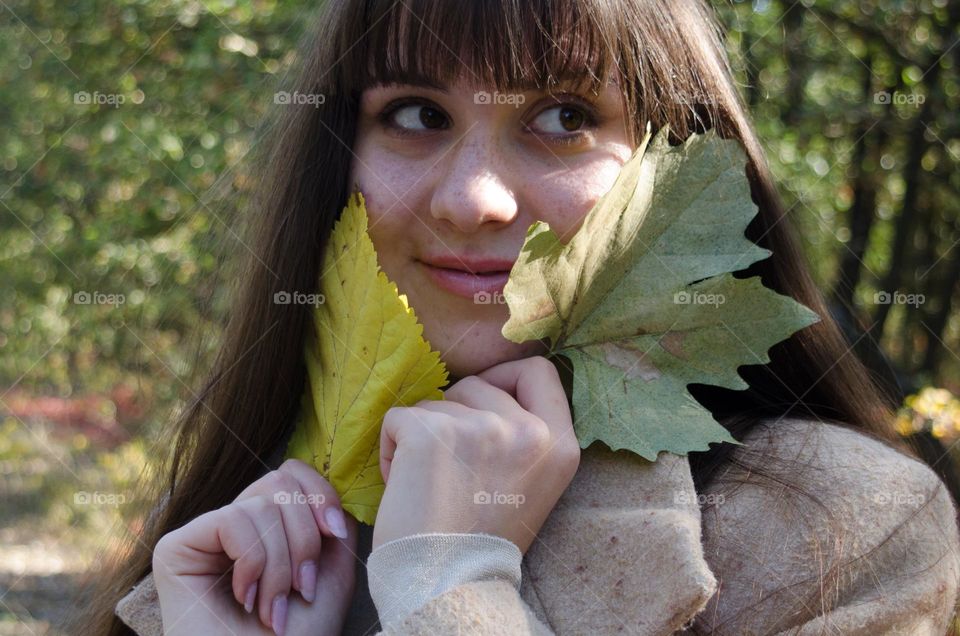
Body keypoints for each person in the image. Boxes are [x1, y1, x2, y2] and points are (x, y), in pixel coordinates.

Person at [77, 0, 960, 634]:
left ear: (684, 170)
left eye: (563, 116)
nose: (472, 200)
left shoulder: (844, 528)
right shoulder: (238, 525)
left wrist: (447, 579)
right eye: (416, 114)